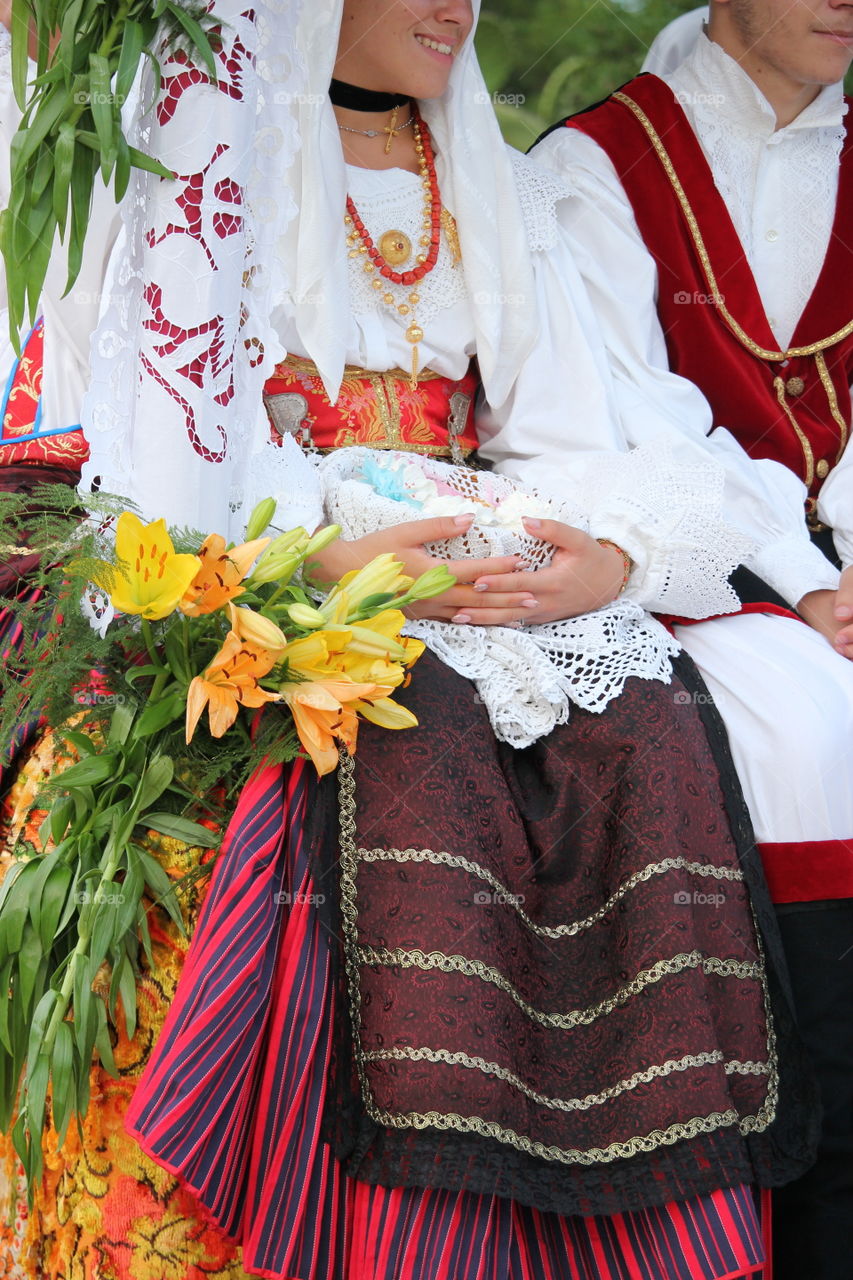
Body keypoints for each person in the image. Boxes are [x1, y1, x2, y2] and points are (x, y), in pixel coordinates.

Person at [45, 1, 811, 1277]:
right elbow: (176, 447)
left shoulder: (492, 188)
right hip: (287, 546)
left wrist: (598, 557)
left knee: (655, 727)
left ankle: (607, 1222)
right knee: (401, 744)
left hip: (475, 544)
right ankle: (390, 1227)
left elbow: (572, 428)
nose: (456, 4)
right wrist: (335, 564)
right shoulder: (206, 170)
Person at [529, 3, 853, 1276]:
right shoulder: (594, 166)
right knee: (800, 728)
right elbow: (633, 421)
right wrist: (801, 575)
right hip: (683, 562)